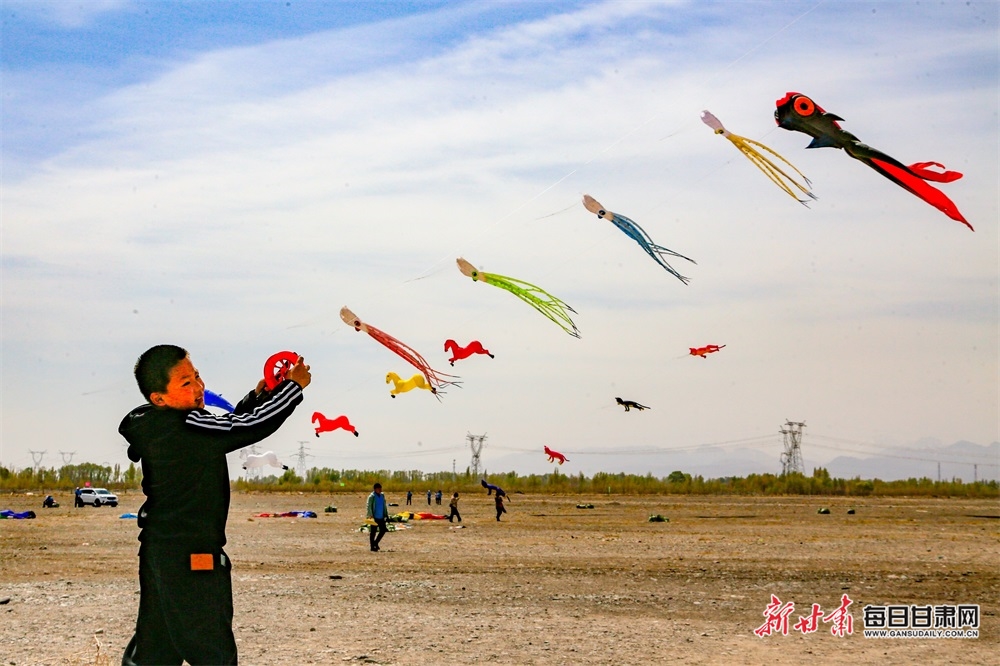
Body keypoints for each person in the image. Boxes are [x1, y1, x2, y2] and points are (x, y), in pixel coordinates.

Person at [119, 344, 310, 666]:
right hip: (191, 556)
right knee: (212, 652)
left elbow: (230, 424)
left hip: (161, 552)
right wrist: (292, 388)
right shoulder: (182, 427)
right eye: (185, 383)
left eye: (196, 376)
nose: (198, 387)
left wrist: (259, 397)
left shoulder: (160, 424)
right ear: (159, 398)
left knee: (156, 650)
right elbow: (246, 428)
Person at [366, 483, 389, 552]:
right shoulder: (371, 496)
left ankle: (375, 543)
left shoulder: (382, 495)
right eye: (379, 489)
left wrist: (386, 514)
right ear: (375, 489)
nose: (380, 490)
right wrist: (370, 515)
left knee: (383, 530)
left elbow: (384, 505)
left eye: (381, 488)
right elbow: (368, 506)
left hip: (381, 516)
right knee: (373, 532)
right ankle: (372, 546)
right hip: (374, 517)